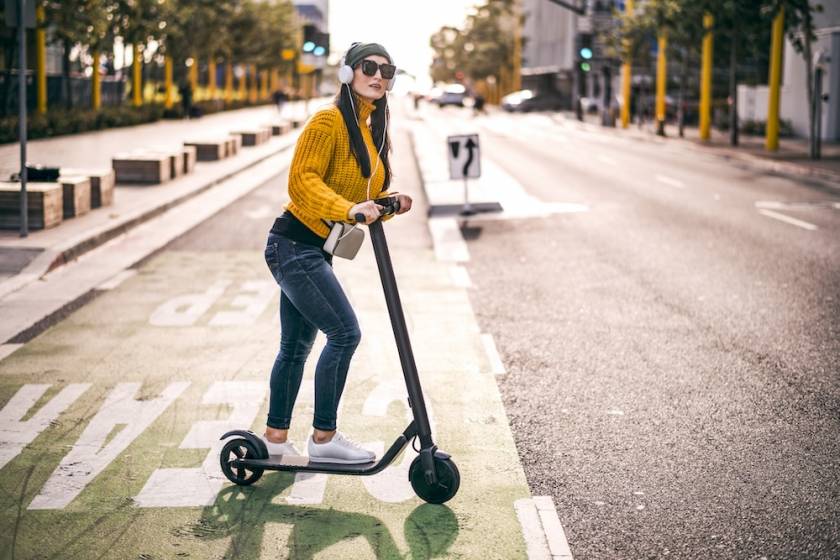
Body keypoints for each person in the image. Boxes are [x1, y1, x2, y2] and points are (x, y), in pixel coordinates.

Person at [262, 42, 413, 464]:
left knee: (295, 347)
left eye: (387, 69)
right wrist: (347, 210)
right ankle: (324, 439)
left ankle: (274, 441)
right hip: (293, 245)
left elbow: (363, 194)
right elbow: (302, 181)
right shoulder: (328, 121)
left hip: (314, 250)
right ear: (348, 72)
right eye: (369, 66)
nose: (378, 75)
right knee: (345, 334)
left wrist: (389, 200)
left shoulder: (372, 129)